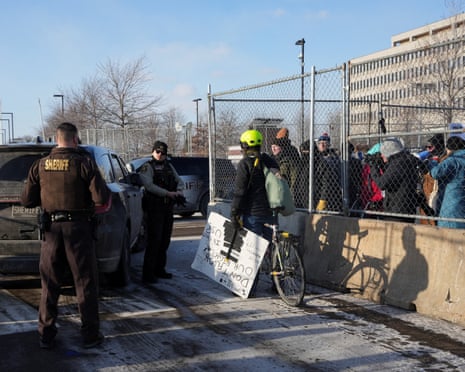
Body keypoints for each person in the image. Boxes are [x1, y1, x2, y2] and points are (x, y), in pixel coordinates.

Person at [21, 122, 111, 349]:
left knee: (49, 284)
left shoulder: (39, 165)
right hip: (78, 231)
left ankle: (46, 334)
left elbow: (27, 200)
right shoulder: (84, 163)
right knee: (85, 284)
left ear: (57, 139)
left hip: (51, 232)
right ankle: (90, 335)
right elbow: (101, 198)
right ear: (74, 139)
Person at [139, 141, 184, 282]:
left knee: (164, 240)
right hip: (154, 208)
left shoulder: (168, 166)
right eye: (157, 152)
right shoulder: (148, 167)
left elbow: (179, 181)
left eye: (163, 153)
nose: (160, 155)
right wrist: (167, 193)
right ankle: (148, 274)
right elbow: (149, 185)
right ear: (153, 152)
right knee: (154, 241)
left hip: (167, 209)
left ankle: (160, 269)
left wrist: (179, 191)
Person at [231, 129, 279, 237]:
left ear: (244, 145)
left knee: (254, 250)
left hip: (253, 213)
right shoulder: (269, 160)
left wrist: (234, 213)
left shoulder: (245, 164)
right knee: (269, 246)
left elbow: (240, 191)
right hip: (272, 212)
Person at [369, 137, 419, 223]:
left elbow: (382, 184)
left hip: (397, 212)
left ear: (389, 152)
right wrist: (381, 165)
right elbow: (392, 178)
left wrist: (373, 168)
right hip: (405, 208)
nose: (381, 155)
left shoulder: (398, 164)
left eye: (383, 153)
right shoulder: (405, 160)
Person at [430, 136, 465, 229]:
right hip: (461, 200)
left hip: (451, 205)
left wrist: (433, 162)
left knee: (449, 230)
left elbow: (435, 173)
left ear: (449, 149)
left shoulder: (453, 159)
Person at [314, 133, 342, 212]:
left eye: (324, 143)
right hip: (319, 189)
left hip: (332, 191)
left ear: (329, 145)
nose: (322, 145)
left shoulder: (333, 158)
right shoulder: (315, 157)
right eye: (320, 143)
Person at [270, 137, 300, 205]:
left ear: (281, 147)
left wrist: (291, 194)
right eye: (272, 147)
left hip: (285, 190)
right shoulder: (270, 159)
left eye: (275, 147)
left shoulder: (288, 160)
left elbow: (293, 178)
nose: (273, 149)